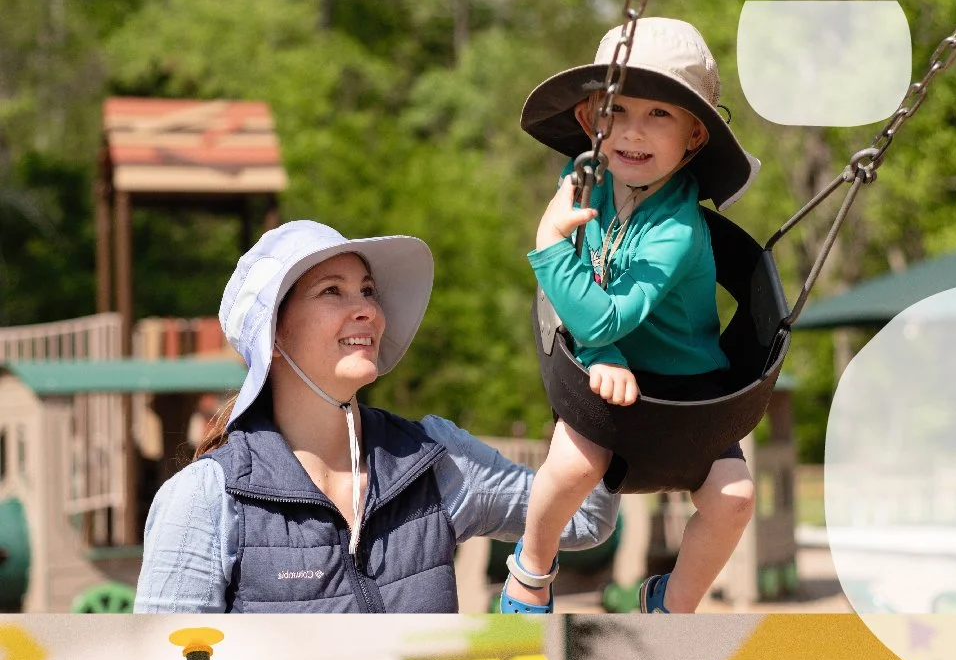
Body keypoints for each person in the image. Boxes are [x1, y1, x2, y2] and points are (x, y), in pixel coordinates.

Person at [134, 221, 619, 614]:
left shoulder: (435, 461)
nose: (366, 308)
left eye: (367, 290)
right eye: (332, 291)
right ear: (274, 335)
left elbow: (584, 516)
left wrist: (590, 366)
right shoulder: (204, 498)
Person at [506, 19, 757, 615]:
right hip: (599, 364)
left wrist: (546, 242)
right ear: (591, 119)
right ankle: (530, 571)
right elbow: (571, 306)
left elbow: (606, 312)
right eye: (616, 111)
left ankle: (673, 605)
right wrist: (598, 356)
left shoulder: (677, 227)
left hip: (689, 387)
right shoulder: (584, 182)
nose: (633, 133)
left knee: (735, 497)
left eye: (660, 116)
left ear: (695, 136)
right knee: (571, 465)